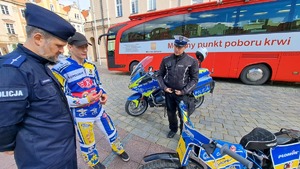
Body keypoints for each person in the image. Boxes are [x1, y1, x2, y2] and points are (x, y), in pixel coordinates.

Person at [0, 3, 77, 169]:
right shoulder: (14, 69)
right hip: (43, 160)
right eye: (59, 46)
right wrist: (9, 146)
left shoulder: (38, 63)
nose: (62, 51)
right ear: (38, 38)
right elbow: (5, 122)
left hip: (61, 153)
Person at [52, 32, 130, 169]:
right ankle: (93, 162)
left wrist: (103, 93)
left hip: (98, 109)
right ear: (70, 47)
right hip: (82, 115)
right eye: (80, 47)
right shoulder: (60, 70)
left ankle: (118, 148)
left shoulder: (91, 66)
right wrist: (84, 100)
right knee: (87, 142)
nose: (84, 50)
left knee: (111, 131)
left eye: (86, 46)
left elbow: (98, 84)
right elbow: (61, 98)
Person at [157, 35, 199, 138]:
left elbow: (194, 79)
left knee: (183, 115)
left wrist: (184, 91)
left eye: (180, 47)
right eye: (175, 46)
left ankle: (183, 133)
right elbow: (159, 75)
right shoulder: (166, 59)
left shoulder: (191, 61)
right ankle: (173, 129)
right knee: (171, 113)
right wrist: (164, 88)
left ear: (185, 47)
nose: (177, 49)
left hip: (182, 94)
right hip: (169, 93)